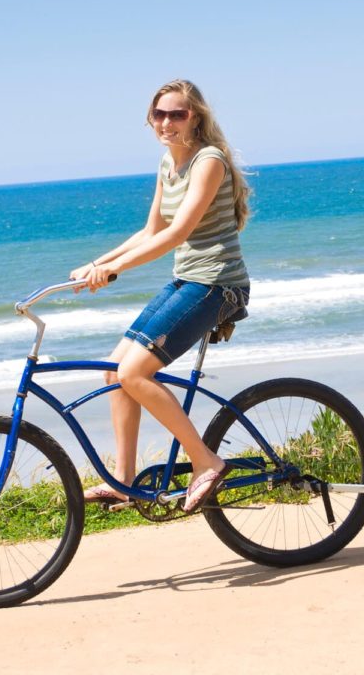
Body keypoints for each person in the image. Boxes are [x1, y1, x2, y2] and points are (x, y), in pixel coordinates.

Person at [69, 79, 251, 513]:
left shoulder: (209, 161)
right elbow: (151, 230)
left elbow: (177, 233)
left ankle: (206, 461)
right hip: (188, 280)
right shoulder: (168, 164)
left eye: (177, 114)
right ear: (150, 120)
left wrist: (114, 269)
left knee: (136, 374)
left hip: (217, 284)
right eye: (159, 115)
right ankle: (125, 481)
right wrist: (98, 262)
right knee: (114, 371)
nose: (167, 122)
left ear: (196, 117)